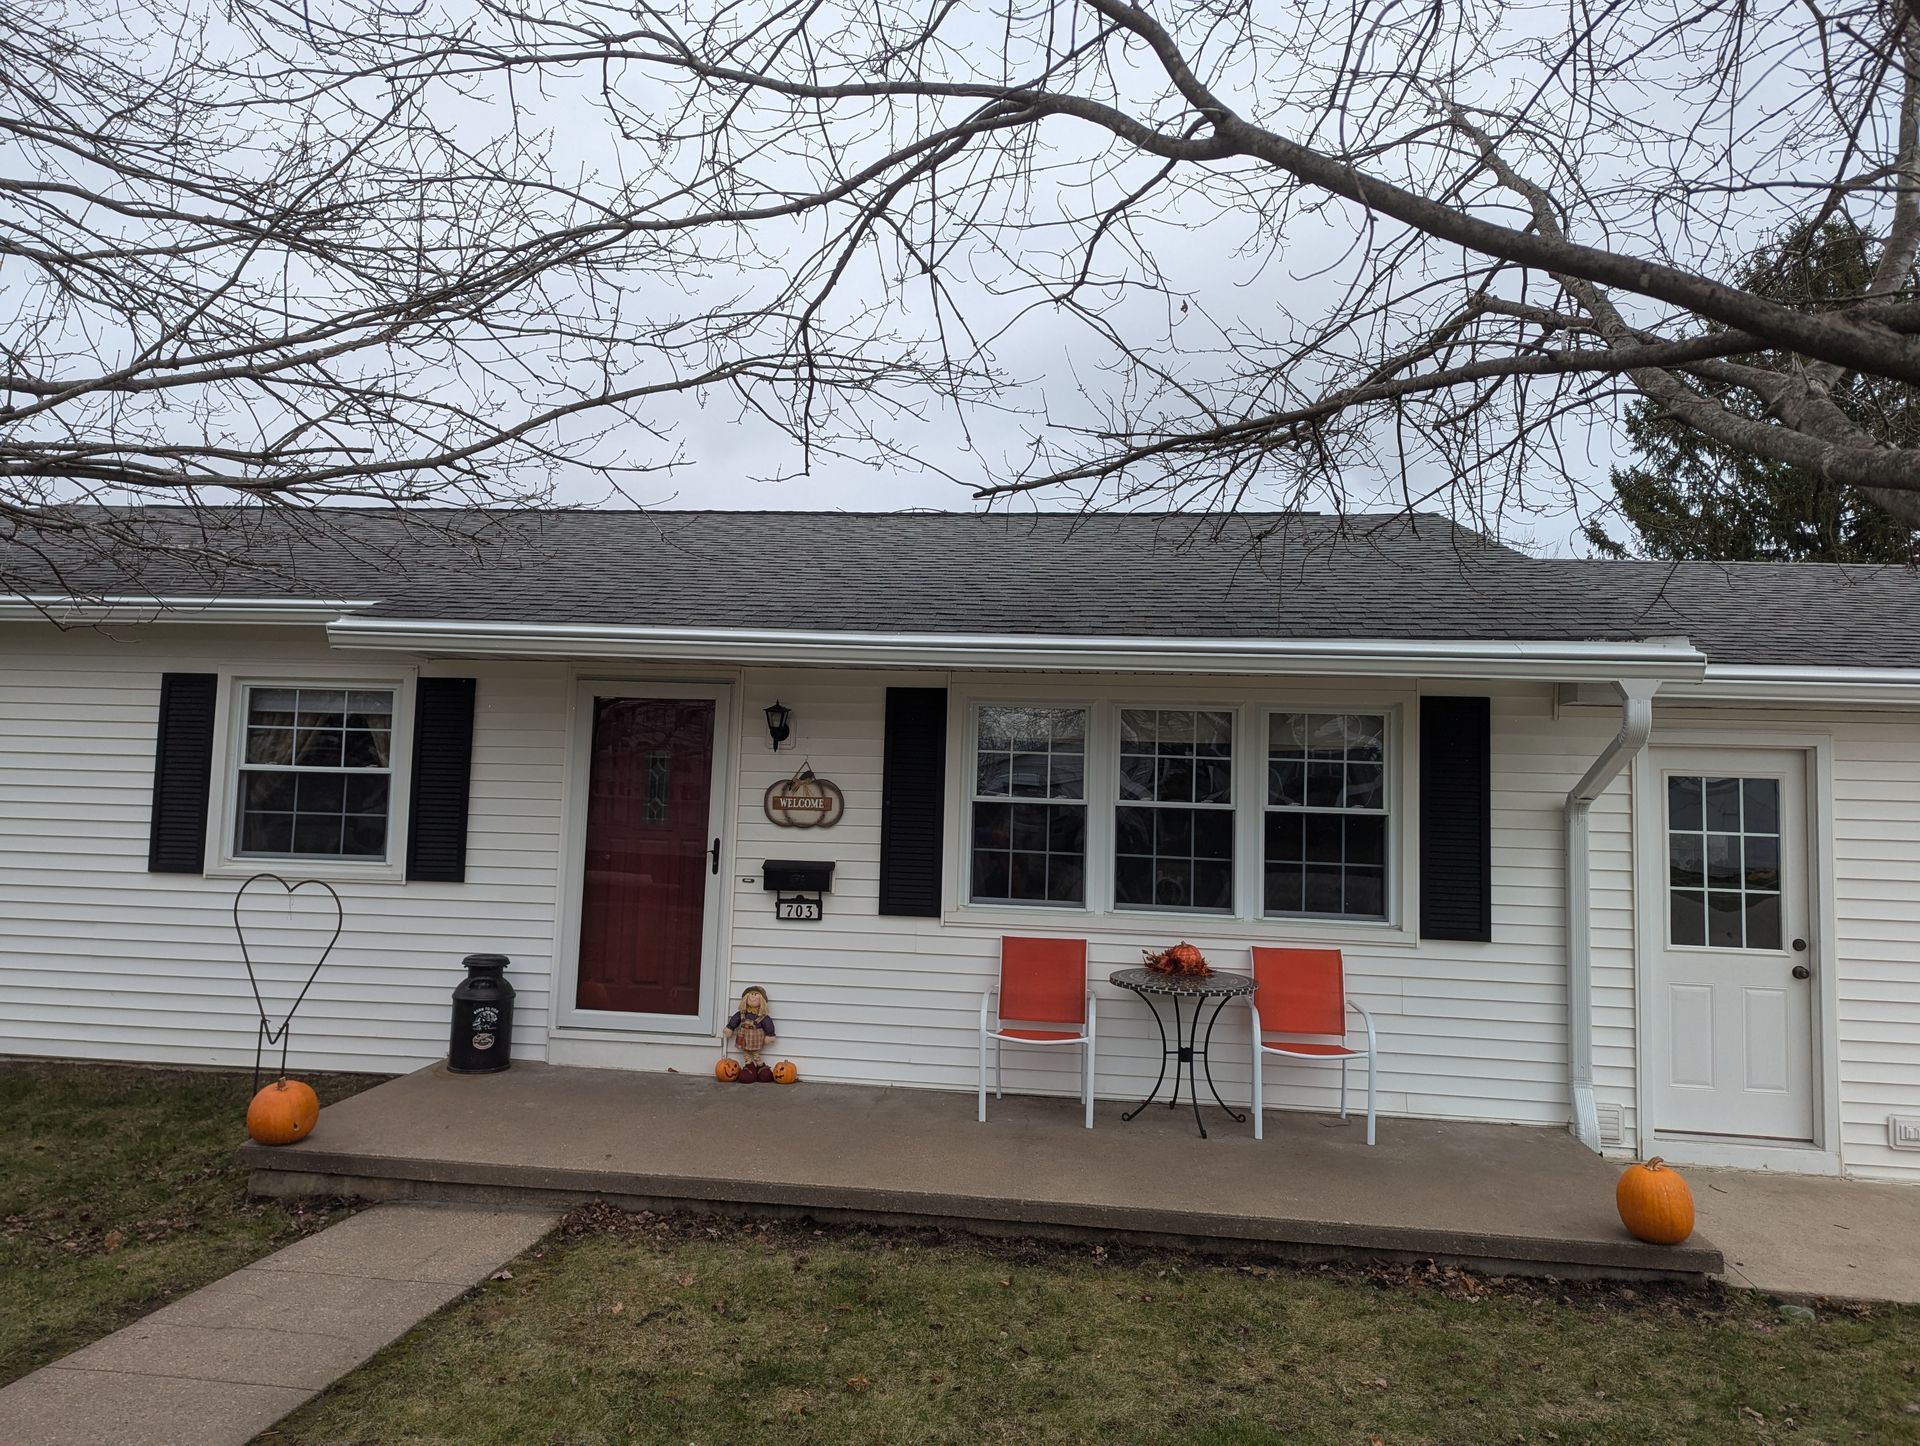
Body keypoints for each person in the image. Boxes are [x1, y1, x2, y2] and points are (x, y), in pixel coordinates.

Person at [722, 986, 777, 1082]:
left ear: (762, 1000)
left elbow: (768, 1024)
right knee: (746, 1053)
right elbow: (734, 1021)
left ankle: (760, 1066)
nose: (753, 997)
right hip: (743, 1038)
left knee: (756, 1053)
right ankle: (749, 1065)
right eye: (751, 994)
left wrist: (770, 1035)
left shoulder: (762, 1016)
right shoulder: (742, 1013)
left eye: (756, 995)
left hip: (755, 1039)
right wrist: (730, 1028)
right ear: (745, 998)